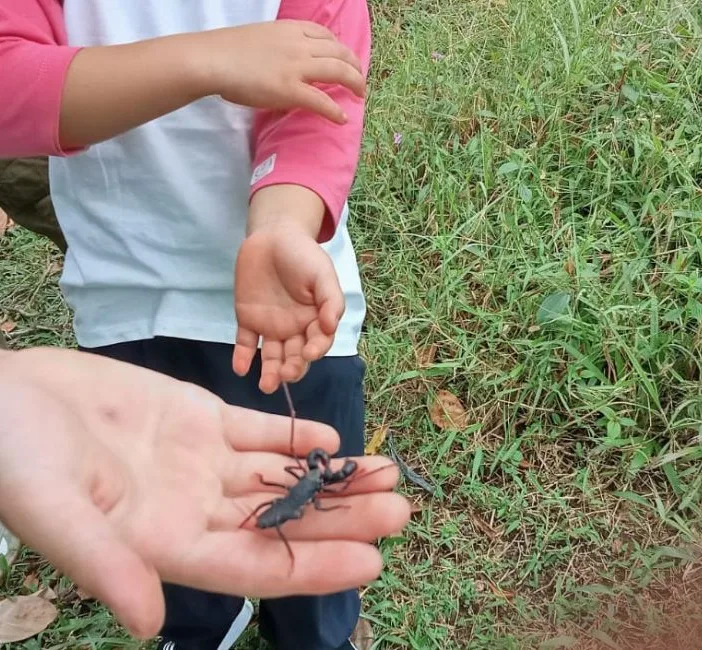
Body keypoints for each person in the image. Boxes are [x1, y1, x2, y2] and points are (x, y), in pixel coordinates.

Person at [0, 1, 377, 649]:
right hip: (124, 298)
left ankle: (316, 636)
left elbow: (322, 105)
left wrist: (282, 227)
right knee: (168, 508)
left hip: (289, 306)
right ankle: (202, 627)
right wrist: (207, 60)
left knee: (317, 516)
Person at [0, 345, 409, 642]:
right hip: (282, 504)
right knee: (293, 510)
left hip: (283, 502)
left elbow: (301, 484)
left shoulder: (305, 478)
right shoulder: (310, 482)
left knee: (290, 507)